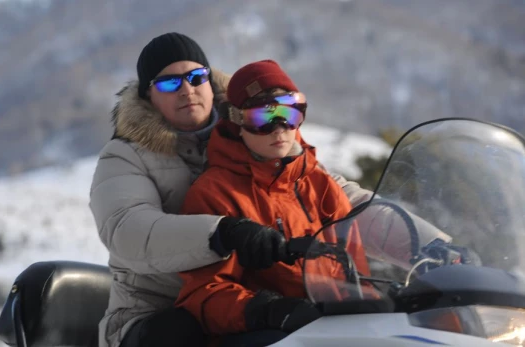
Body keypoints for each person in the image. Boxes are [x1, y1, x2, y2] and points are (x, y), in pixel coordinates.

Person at [88, 32, 466, 347]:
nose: (186, 89)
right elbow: (128, 230)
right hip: (160, 306)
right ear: (148, 95)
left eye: (196, 77)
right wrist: (223, 233)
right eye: (170, 82)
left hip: (257, 301)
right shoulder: (126, 157)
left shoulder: (266, 138)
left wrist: (432, 247)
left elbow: (352, 206)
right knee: (178, 335)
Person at [174, 60, 372, 347]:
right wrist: (267, 310)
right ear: (237, 121)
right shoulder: (215, 192)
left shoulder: (319, 185)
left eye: (288, 113)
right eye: (262, 118)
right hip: (257, 333)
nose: (279, 128)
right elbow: (204, 292)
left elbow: (355, 268)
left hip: (327, 326)